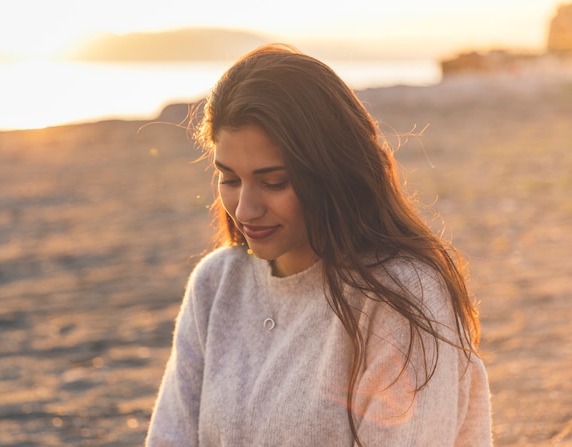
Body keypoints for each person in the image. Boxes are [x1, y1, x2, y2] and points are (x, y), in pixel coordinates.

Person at [145, 44, 492, 446]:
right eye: (230, 179)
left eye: (274, 182)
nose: (245, 209)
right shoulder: (216, 282)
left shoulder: (401, 295)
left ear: (331, 171)